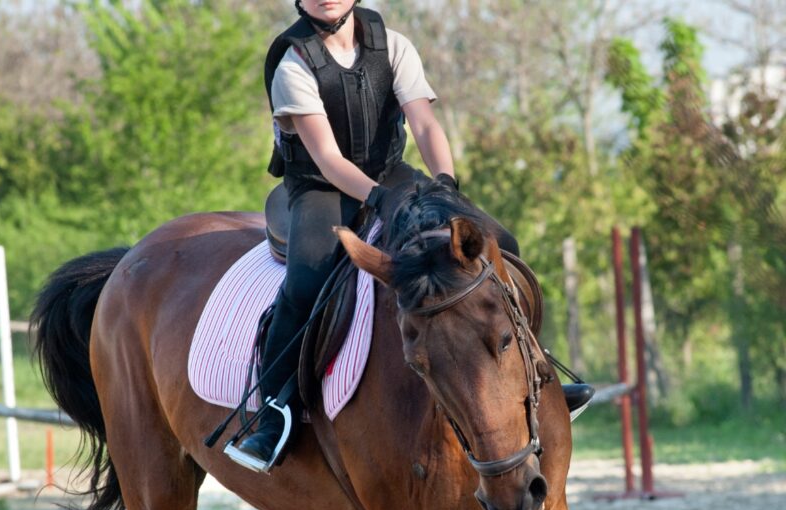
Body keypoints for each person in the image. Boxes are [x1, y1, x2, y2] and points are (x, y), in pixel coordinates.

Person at [228, 0, 590, 472]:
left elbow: (423, 123)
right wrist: (377, 199)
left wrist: (444, 183)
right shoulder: (293, 63)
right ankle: (275, 411)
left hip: (394, 173)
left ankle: (536, 369)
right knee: (304, 284)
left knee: (503, 242)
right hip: (320, 187)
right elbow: (327, 157)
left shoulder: (393, 46)